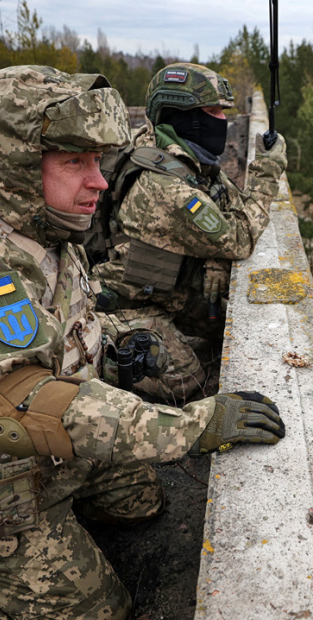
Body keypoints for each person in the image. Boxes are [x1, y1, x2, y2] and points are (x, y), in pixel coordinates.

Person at [0, 65, 285, 620]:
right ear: (14, 165)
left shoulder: (46, 228)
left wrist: (116, 347)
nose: (99, 181)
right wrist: (196, 426)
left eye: (98, 160)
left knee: (143, 504)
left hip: (57, 455)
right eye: (75, 162)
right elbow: (26, 407)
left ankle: (68, 504)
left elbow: (68, 331)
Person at [88, 62, 287, 404]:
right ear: (182, 117)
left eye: (223, 111)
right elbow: (240, 238)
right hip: (128, 304)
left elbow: (230, 207)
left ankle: (167, 340)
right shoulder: (164, 186)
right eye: (212, 112)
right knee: (188, 383)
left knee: (228, 330)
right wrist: (267, 170)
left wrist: (214, 259)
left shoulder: (184, 160)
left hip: (168, 292)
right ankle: (103, 357)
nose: (222, 120)